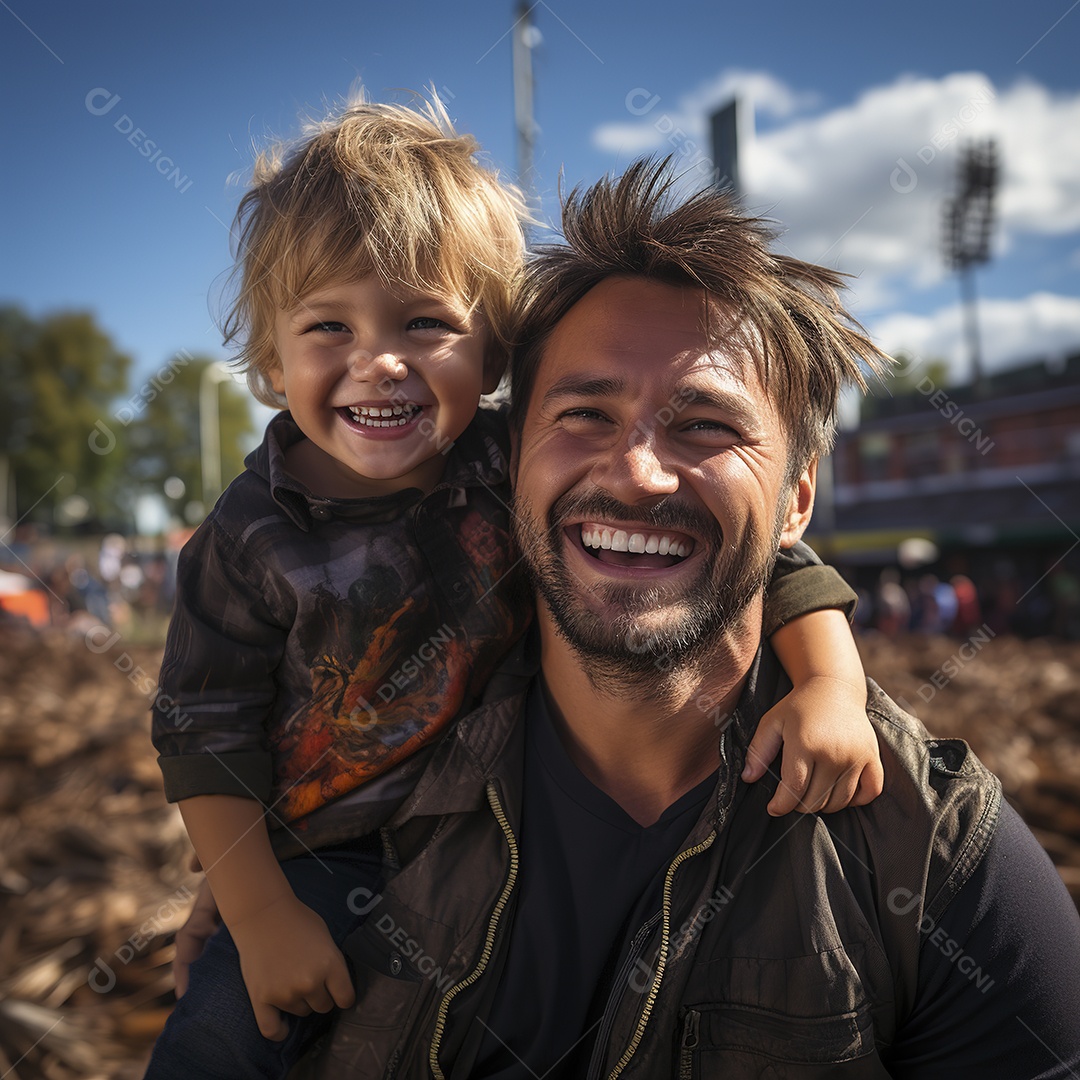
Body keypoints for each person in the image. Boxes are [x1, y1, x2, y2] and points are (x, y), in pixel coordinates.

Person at [293, 160, 1080, 1078]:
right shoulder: (366, 778)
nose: (637, 473)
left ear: (797, 500)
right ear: (511, 467)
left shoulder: (939, 859)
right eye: (585, 411)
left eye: (705, 426)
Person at [146, 103, 880, 1080]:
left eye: (424, 324)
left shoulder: (513, 465)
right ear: (273, 363)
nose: (380, 362)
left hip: (506, 820)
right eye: (329, 326)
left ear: (493, 355)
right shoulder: (244, 539)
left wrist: (832, 684)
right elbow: (202, 732)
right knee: (227, 1032)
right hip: (327, 855)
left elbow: (761, 558)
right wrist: (257, 905)